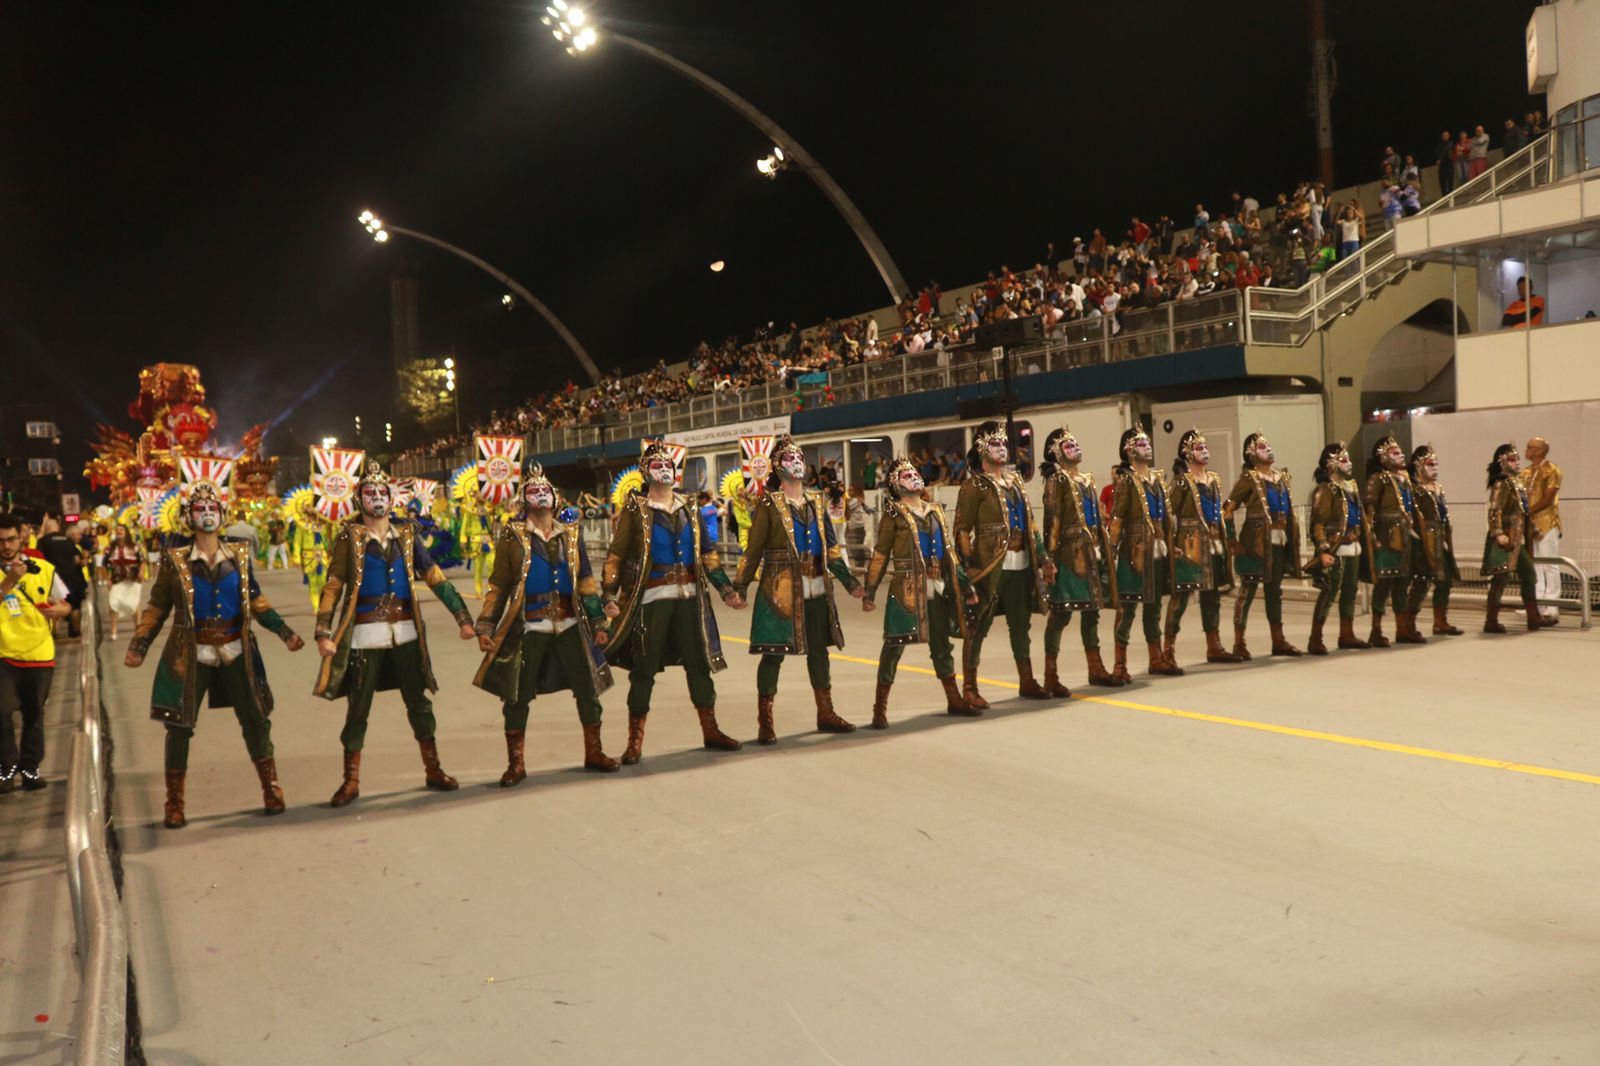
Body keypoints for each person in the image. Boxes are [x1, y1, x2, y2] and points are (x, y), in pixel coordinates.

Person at [125, 484, 305, 828]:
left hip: (236, 649)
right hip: (190, 653)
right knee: (178, 726)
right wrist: (139, 644)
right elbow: (157, 606)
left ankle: (271, 789)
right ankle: (174, 804)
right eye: (200, 509)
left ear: (222, 516)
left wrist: (285, 633)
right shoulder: (175, 560)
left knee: (255, 719)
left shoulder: (239, 554)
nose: (207, 514)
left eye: (213, 508)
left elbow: (256, 601)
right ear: (188, 518)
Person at [313, 461, 477, 808]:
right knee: (358, 709)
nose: (376, 498)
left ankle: (433, 769)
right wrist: (323, 631)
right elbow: (333, 585)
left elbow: (434, 577)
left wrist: (462, 616)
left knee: (419, 703)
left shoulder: (407, 535)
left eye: (382, 492)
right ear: (360, 499)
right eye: (370, 492)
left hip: (405, 632)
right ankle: (351, 781)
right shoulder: (349, 537)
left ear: (391, 499)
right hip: (364, 636)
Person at [600, 439, 746, 763]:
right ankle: (634, 741)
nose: (664, 469)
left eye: (668, 465)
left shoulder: (689, 506)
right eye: (657, 465)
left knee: (699, 665)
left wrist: (726, 589)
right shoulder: (635, 509)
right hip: (652, 599)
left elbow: (707, 554)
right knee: (644, 669)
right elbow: (616, 556)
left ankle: (711, 730)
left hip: (690, 599)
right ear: (645, 472)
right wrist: (609, 596)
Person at [473, 462, 616, 784]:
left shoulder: (571, 535)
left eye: (545, 490)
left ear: (555, 498)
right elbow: (499, 585)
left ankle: (594, 752)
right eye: (533, 491)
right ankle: (516, 764)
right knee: (516, 695)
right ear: (525, 500)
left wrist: (598, 622)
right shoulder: (513, 537)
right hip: (530, 626)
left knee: (589, 689)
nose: (540, 494)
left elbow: (586, 582)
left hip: (569, 625)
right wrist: (486, 626)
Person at [732, 435, 864, 743]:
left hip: (817, 586)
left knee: (819, 651)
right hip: (780, 590)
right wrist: (739, 586)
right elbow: (753, 550)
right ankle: (765, 722)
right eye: (790, 459)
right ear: (778, 467)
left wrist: (849, 581)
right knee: (773, 654)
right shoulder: (768, 503)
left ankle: (825, 712)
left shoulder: (816, 500)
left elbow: (831, 548)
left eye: (799, 459)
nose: (797, 464)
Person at [862, 457, 974, 727]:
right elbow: (880, 554)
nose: (912, 476)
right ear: (895, 484)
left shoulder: (935, 511)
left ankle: (954, 698)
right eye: (905, 474)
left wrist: (965, 584)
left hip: (937, 588)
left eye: (914, 472)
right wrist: (870, 590)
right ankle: (880, 708)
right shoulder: (893, 513)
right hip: (905, 590)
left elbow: (950, 554)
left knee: (942, 645)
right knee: (894, 646)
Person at [954, 422, 1053, 709]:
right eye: (995, 444)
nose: (1002, 448)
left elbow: (1031, 524)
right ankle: (969, 686)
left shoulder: (1016, 482)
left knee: (1021, 624)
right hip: (990, 565)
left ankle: (1027, 679)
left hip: (1021, 563)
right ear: (982, 449)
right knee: (978, 625)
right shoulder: (974, 486)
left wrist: (1043, 557)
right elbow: (961, 529)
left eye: (1003, 444)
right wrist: (968, 566)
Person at [1040, 428, 1121, 689]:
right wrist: (1048, 558)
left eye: (1075, 443)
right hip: (1067, 553)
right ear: (1056, 453)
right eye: (1068, 445)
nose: (1075, 447)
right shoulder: (1057, 480)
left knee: (1092, 611)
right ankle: (1050, 674)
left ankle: (1095, 668)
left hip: (1090, 551)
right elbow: (1052, 519)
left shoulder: (1087, 480)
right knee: (1061, 613)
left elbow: (1096, 516)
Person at [0, 512, 71, 793]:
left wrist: (61, 611)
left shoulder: (42, 568)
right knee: (1, 714)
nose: (6, 545)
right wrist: (9, 582)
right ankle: (5, 769)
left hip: (39, 654)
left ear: (21, 537)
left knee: (34, 715)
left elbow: (65, 603)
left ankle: (30, 768)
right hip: (3, 655)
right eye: (1, 541)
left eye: (10, 539)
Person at [1107, 427, 1181, 679]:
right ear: (1129, 451)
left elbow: (1166, 516)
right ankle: (1120, 663)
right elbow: (1117, 517)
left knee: (1154, 606)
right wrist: (1112, 549)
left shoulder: (1157, 479)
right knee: (1127, 606)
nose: (1147, 446)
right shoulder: (1127, 480)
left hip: (1158, 549)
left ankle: (1156, 657)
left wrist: (1172, 544)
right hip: (1134, 552)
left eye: (1147, 442)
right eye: (1140, 443)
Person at [1223, 432, 1302, 658]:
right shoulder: (1249, 478)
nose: (1268, 449)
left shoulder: (1281, 478)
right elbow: (1228, 509)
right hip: (1254, 544)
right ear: (1251, 454)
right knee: (1247, 590)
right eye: (1261, 446)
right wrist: (1231, 540)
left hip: (1278, 541)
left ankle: (1278, 640)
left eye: (1268, 445)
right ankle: (1239, 642)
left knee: (1274, 592)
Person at [1164, 429, 1238, 669]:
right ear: (1187, 453)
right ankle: (1168, 649)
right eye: (1198, 448)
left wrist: (1229, 539)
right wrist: (1170, 544)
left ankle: (1213, 645)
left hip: (1214, 543)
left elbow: (1222, 513)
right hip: (1190, 546)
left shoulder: (1214, 479)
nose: (1204, 451)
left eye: (1205, 447)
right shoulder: (1181, 482)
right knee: (1182, 597)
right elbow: (1167, 514)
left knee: (1212, 596)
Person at [1305, 443, 1369, 655]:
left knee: (1350, 592)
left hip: (1353, 546)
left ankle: (1346, 633)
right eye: (1343, 460)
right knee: (1329, 593)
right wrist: (1323, 550)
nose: (1348, 463)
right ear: (1330, 464)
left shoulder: (1350, 488)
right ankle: (1316, 638)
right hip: (1336, 548)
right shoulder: (1325, 490)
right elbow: (1318, 523)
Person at [1362, 434, 1423, 645]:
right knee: (1384, 584)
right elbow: (1369, 509)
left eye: (1400, 451)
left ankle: (1402, 628)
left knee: (1402, 583)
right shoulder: (1378, 479)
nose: (1401, 455)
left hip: (1404, 536)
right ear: (1383, 457)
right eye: (1395, 452)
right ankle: (1376, 630)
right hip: (1386, 537)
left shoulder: (1404, 479)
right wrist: (1371, 537)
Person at [1481, 443, 1545, 633]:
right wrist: (1499, 533)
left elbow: (1524, 512)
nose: (1517, 462)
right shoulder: (1501, 483)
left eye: (1518, 459)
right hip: (1504, 540)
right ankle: (1491, 620)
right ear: (1502, 462)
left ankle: (1533, 618)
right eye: (1512, 459)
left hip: (1518, 540)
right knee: (1500, 579)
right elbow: (1494, 511)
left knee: (1529, 575)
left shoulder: (1518, 483)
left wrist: (1532, 528)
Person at [1406, 444, 1464, 637]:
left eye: (1437, 464)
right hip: (1422, 541)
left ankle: (1440, 622)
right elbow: (1411, 517)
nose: (1435, 468)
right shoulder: (1414, 489)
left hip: (1441, 540)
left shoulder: (1438, 488)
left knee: (1445, 581)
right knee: (1422, 581)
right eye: (1431, 464)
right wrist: (1419, 538)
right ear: (1418, 466)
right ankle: (1408, 622)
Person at [1521, 436, 1562, 625]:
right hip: (1529, 524)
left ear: (1539, 450)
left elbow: (1549, 498)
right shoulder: (1526, 472)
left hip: (1547, 523)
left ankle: (1552, 606)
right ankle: (1536, 605)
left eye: (1529, 447)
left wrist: (1528, 511)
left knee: (1550, 564)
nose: (1526, 450)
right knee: (1534, 564)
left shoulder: (1552, 470)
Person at [35, 515, 89, 638]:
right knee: (74, 606)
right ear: (57, 527)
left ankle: (54, 633)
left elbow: (38, 559)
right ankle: (75, 631)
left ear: (47, 528)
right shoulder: (67, 540)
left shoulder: (43, 541)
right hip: (71, 578)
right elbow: (77, 560)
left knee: (54, 606)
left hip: (53, 579)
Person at [104, 523, 145, 641]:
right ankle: (113, 628)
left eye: (121, 529)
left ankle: (138, 629)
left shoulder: (135, 547)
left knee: (134, 604)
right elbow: (106, 565)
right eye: (117, 530)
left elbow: (142, 560)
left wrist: (141, 572)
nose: (119, 531)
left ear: (126, 532)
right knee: (112, 603)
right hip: (116, 579)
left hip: (132, 578)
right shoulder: (110, 548)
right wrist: (107, 578)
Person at [292, 497, 331, 612]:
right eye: (308, 507)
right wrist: (296, 557)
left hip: (323, 558)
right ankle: (316, 606)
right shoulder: (302, 526)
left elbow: (330, 540)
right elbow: (297, 542)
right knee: (313, 583)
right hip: (309, 557)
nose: (312, 510)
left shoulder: (324, 524)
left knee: (324, 582)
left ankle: (323, 603)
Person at [844, 483, 873, 570]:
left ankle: (860, 567)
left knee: (857, 549)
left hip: (857, 527)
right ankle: (858, 567)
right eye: (848, 490)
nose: (849, 491)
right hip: (852, 526)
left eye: (851, 490)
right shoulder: (853, 500)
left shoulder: (856, 500)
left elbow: (847, 509)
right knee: (854, 548)